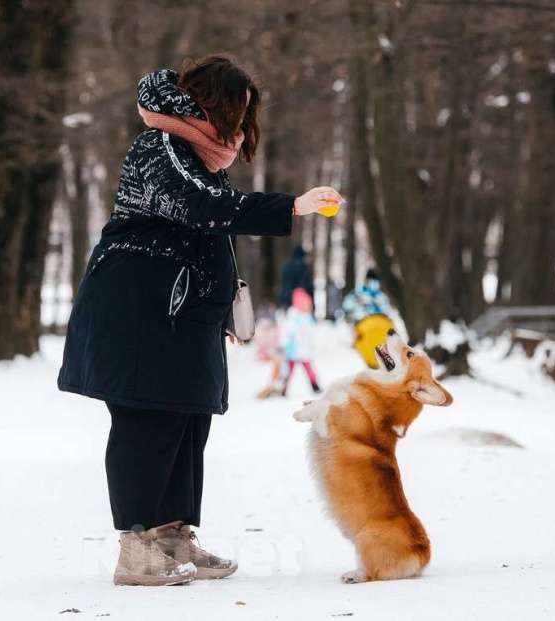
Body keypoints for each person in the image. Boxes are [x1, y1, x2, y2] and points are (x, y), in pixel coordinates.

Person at [57, 56, 342, 586]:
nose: (241, 126)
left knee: (188, 421)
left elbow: (209, 222)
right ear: (210, 105)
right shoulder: (159, 146)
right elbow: (200, 209)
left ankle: (171, 537)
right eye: (238, 112)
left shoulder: (196, 155)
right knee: (147, 422)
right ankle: (136, 548)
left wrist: (223, 301)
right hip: (139, 313)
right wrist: (291, 207)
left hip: (183, 314)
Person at [280, 288, 322, 396]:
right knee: (289, 369)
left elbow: (310, 332)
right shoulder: (293, 314)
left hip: (303, 348)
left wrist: (311, 344)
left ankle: (315, 385)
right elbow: (288, 330)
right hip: (293, 348)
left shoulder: (307, 316)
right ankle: (283, 388)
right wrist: (283, 343)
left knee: (308, 368)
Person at [277, 245, 314, 309]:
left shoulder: (286, 266)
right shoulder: (303, 267)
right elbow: (306, 285)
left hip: (286, 297)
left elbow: (283, 282)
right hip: (299, 299)